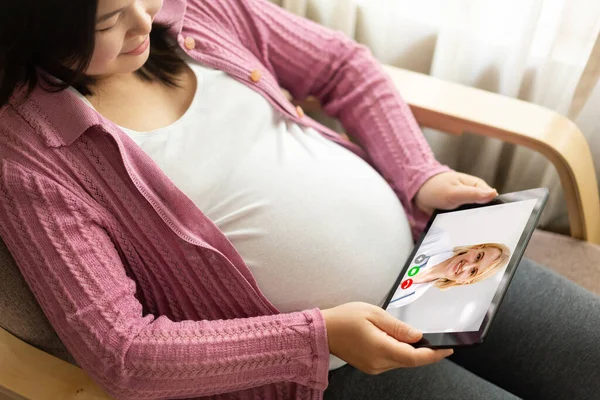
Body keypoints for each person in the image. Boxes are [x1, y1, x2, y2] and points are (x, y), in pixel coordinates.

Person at [0, 1, 598, 399]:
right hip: (323, 374)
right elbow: (122, 351)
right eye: (107, 20)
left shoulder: (194, 12)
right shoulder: (31, 159)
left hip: (439, 262)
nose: (145, 20)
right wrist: (315, 339)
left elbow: (343, 66)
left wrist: (418, 174)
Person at [388, 226, 511, 308]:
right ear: (476, 248)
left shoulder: (410, 296)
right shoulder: (436, 237)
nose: (465, 267)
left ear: (466, 281)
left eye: (473, 271)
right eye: (478, 257)